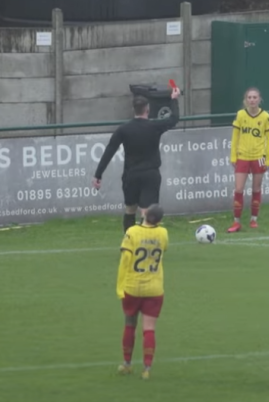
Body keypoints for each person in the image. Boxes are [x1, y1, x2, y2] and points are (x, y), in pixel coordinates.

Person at [93, 87, 181, 231]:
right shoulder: (154, 126)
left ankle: (129, 241)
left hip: (131, 175)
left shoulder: (124, 129)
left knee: (130, 209)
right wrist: (174, 99)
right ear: (148, 109)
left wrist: (98, 174)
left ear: (133, 110)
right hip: (150, 174)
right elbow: (174, 119)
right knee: (146, 211)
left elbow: (110, 150)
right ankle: (145, 243)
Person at [115, 203, 168, 380]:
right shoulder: (163, 233)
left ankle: (127, 364)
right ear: (160, 220)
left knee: (130, 324)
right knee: (149, 329)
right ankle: (146, 369)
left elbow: (125, 260)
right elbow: (164, 248)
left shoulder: (132, 232)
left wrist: (120, 286)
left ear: (144, 214)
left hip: (132, 287)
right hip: (154, 288)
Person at [227, 87, 269, 233]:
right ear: (245, 100)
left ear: (259, 99)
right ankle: (236, 222)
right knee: (239, 189)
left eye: (255, 97)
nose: (252, 100)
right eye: (249, 97)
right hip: (242, 156)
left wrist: (268, 159)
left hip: (259, 157)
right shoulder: (240, 115)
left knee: (256, 188)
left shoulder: (265, 116)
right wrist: (233, 156)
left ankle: (254, 219)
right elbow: (235, 137)